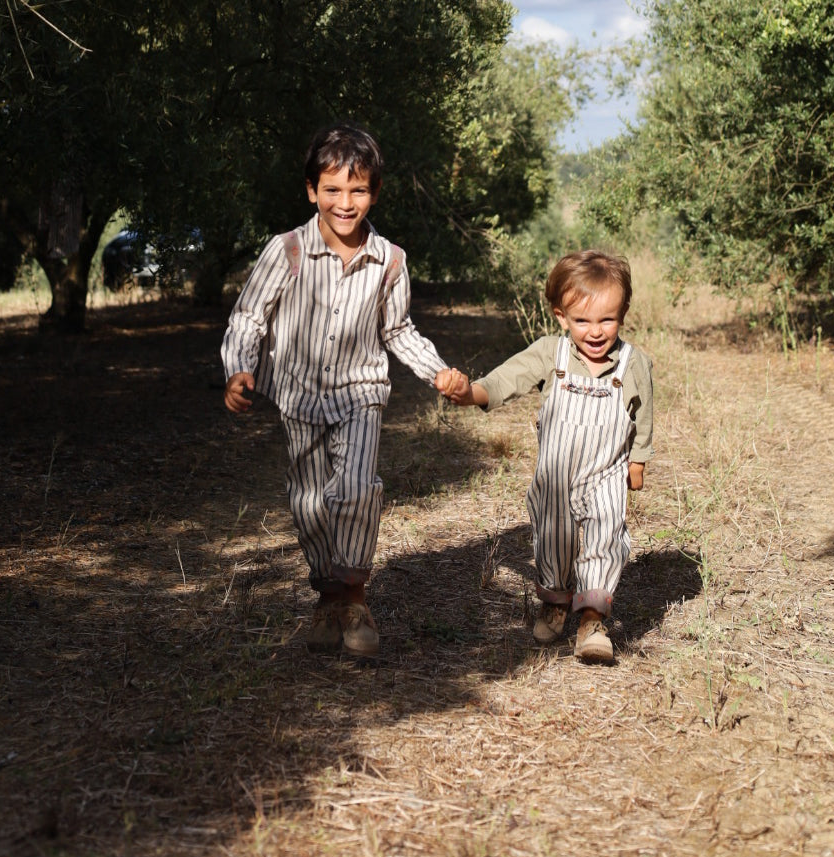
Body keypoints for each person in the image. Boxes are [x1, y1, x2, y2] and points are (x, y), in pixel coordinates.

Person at [222, 123, 467, 659]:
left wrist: (438, 372)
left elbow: (398, 330)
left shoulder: (390, 260)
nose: (345, 202)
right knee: (309, 503)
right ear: (312, 191)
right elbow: (248, 317)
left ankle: (355, 597)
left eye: (358, 190)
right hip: (299, 395)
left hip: (361, 392)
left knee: (355, 488)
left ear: (375, 192)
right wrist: (238, 370)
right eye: (332, 189)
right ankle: (327, 596)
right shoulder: (285, 251)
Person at [439, 249, 652, 664]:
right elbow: (502, 382)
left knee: (607, 539)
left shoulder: (633, 362)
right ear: (561, 316)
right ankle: (556, 602)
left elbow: (642, 414)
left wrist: (638, 460)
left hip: (606, 473)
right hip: (555, 478)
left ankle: (592, 620)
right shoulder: (549, 354)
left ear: (623, 314)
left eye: (606, 320)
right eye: (582, 321)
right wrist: (469, 393)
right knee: (553, 543)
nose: (595, 331)